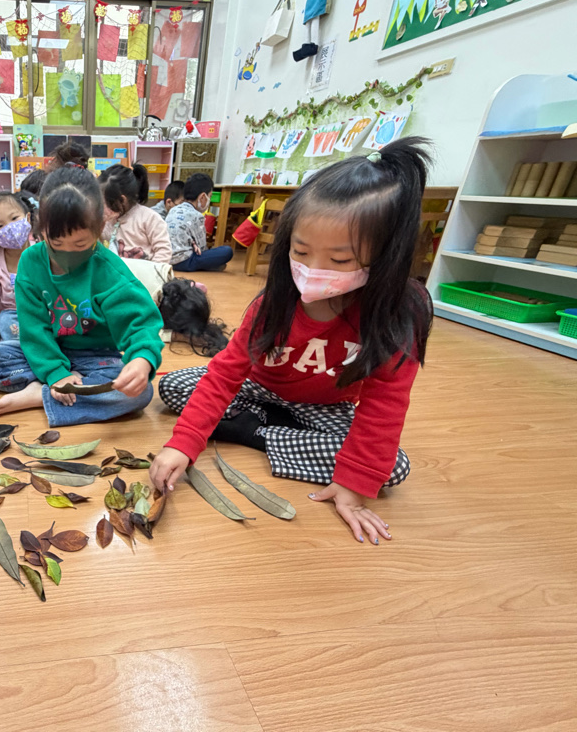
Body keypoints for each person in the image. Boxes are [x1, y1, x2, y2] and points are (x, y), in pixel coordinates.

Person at [150, 139, 435, 545]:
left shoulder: (395, 320)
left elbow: (384, 407)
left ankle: (252, 431)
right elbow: (225, 374)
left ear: (387, 255)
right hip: (257, 389)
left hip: (324, 407)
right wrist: (183, 443)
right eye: (301, 252)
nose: (313, 270)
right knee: (174, 386)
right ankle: (266, 426)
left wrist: (354, 487)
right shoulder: (273, 303)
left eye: (339, 260)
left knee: (391, 469)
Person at [0, 166, 163, 426]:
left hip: (96, 358)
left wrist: (141, 359)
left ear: (100, 227)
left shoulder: (109, 270)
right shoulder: (31, 261)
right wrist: (55, 372)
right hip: (48, 348)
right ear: (40, 228)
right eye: (56, 244)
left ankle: (41, 394)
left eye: (80, 244)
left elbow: (140, 322)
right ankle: (58, 384)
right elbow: (34, 329)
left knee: (139, 393)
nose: (67, 253)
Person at [0, 192, 33, 341]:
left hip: (39, 311)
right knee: (5, 322)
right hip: (11, 315)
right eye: (0, 226)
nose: (10, 227)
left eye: (14, 218)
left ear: (28, 218)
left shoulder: (41, 253)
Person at [98, 163, 172, 264]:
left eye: (107, 202)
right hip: (117, 271)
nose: (104, 207)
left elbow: (164, 251)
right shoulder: (109, 219)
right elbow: (99, 242)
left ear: (122, 200)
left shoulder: (149, 218)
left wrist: (151, 271)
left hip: (144, 272)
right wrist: (101, 223)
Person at [166, 172, 234, 272]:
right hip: (185, 262)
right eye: (209, 196)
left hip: (167, 259)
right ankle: (209, 266)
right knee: (227, 251)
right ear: (202, 197)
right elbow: (202, 248)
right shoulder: (197, 216)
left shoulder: (173, 210)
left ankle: (210, 265)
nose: (209, 200)